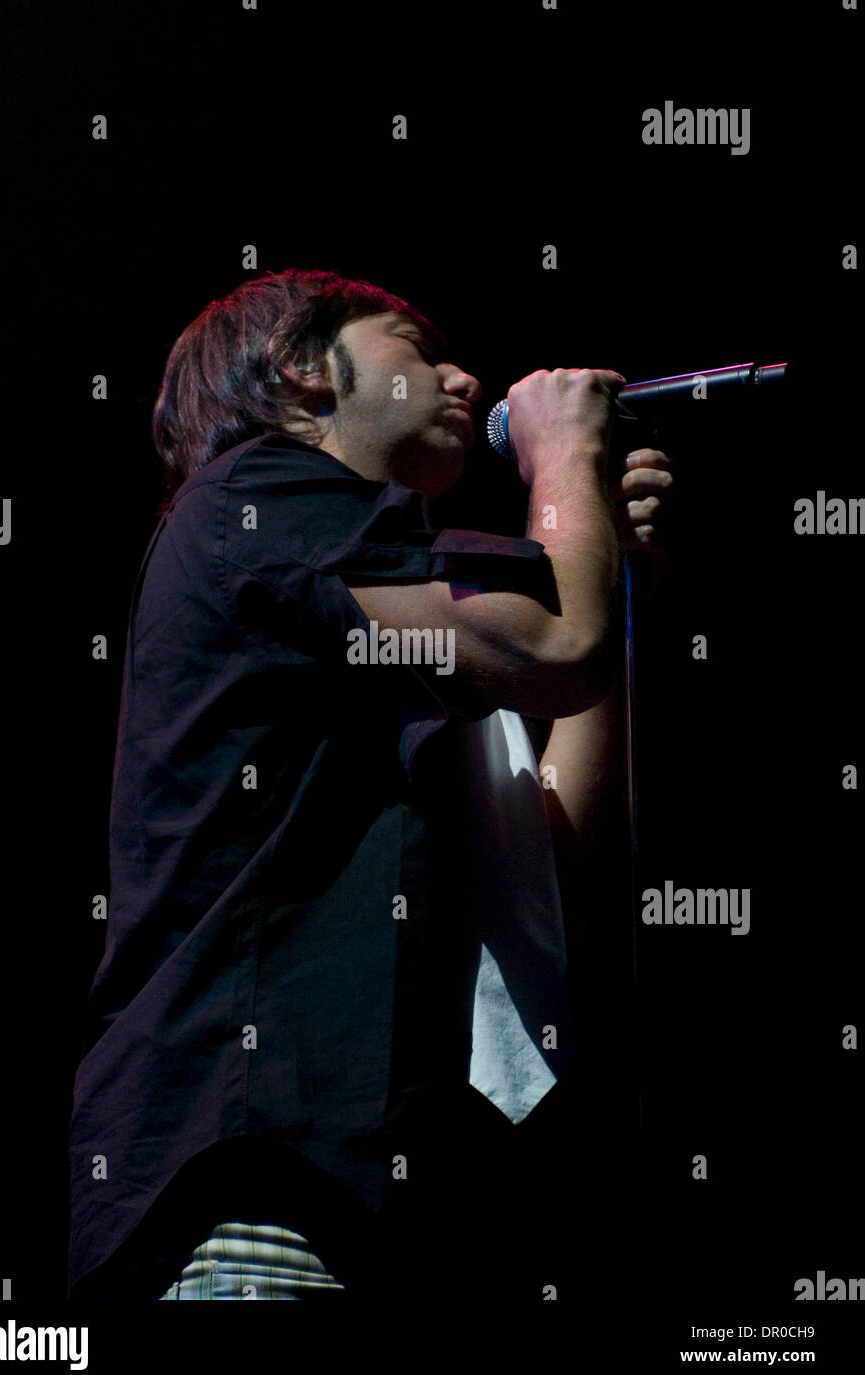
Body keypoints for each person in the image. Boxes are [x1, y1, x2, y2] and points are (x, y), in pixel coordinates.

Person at [65, 268, 673, 1304]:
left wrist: (602, 562)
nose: (463, 376)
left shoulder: (375, 607)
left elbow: (554, 849)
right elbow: (557, 642)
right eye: (413, 345)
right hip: (263, 1170)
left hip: (393, 1186)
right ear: (305, 372)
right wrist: (563, 454)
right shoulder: (258, 500)